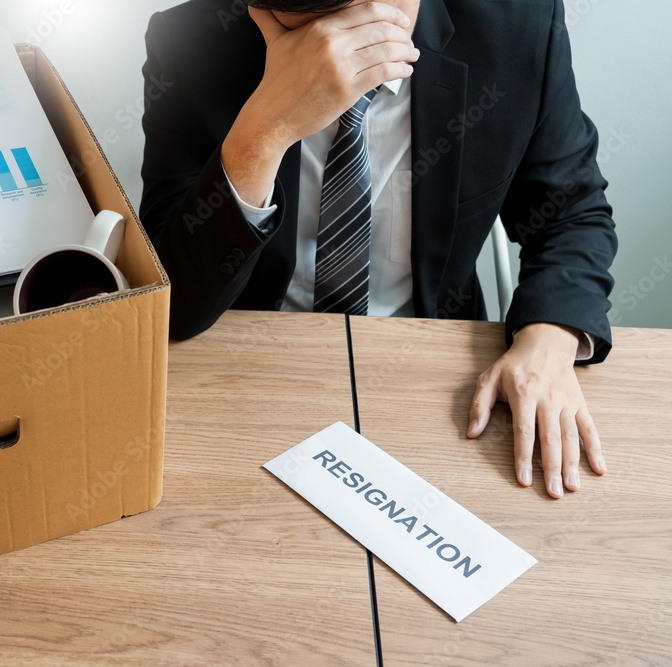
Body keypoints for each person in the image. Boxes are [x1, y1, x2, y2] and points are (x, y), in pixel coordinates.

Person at [139, 0, 618, 499]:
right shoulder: (189, 41)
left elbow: (570, 211)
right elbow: (172, 306)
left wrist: (548, 341)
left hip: (436, 373)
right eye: (292, 19)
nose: (325, 44)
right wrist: (265, 130)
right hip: (247, 365)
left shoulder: (518, 27)